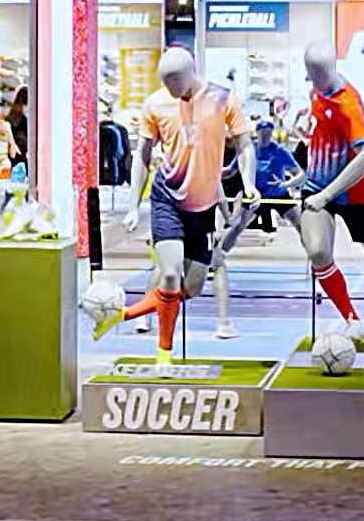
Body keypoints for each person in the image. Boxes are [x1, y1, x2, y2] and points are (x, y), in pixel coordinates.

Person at [88, 48, 247, 358]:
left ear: (191, 73)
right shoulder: (156, 104)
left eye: (175, 81)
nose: (170, 88)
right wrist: (133, 206)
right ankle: (164, 355)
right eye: (165, 81)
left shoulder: (222, 99)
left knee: (191, 287)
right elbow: (143, 156)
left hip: (202, 205)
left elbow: (240, 149)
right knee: (170, 274)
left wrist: (242, 192)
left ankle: (121, 316)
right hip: (167, 198)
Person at [287, 40, 364, 333]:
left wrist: (328, 194)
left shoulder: (348, 104)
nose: (317, 80)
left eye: (321, 74)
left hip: (356, 195)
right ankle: (351, 319)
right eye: (312, 74)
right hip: (316, 187)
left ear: (333, 68)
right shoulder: (315, 90)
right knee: (317, 251)